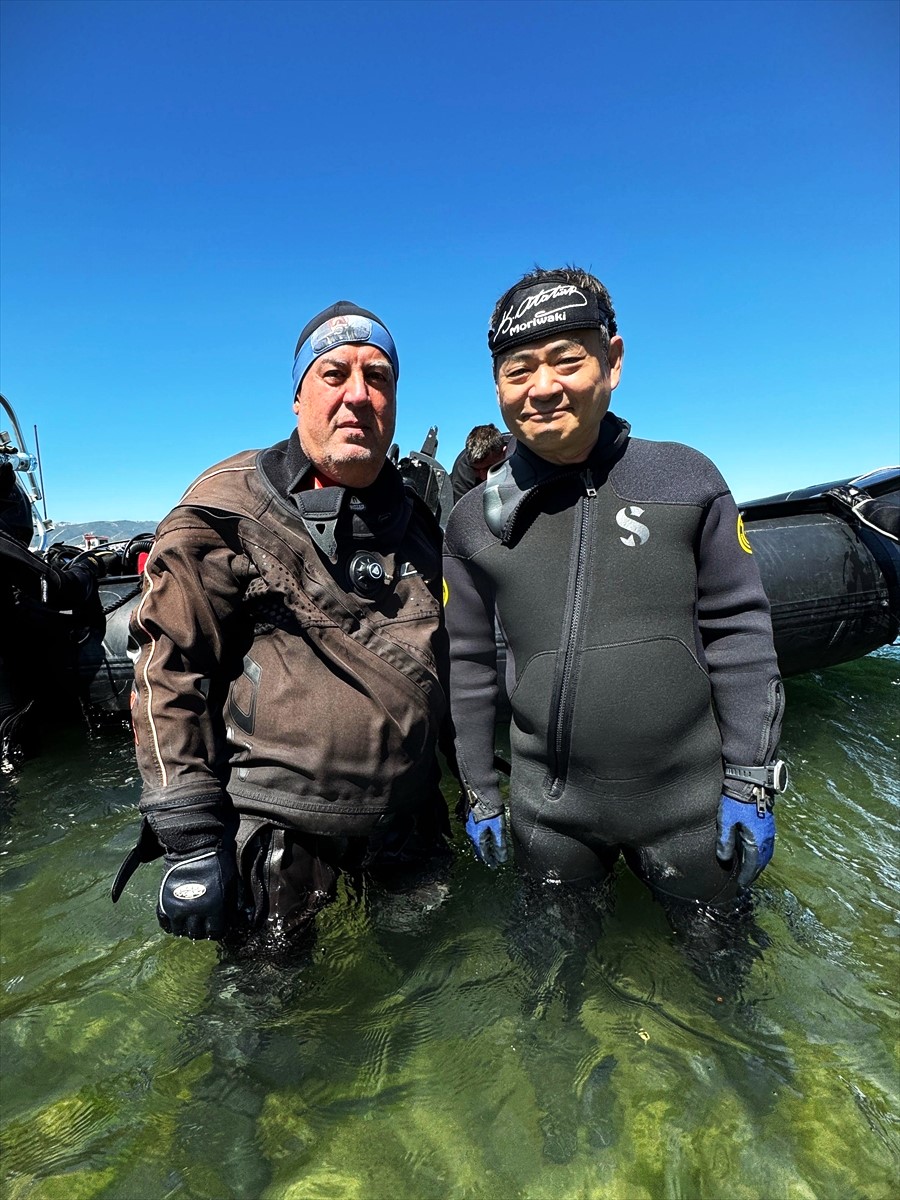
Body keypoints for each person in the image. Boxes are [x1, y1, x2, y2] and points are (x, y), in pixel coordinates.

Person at [443, 266, 787, 923]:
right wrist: (481, 792)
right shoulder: (472, 522)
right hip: (551, 818)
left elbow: (742, 634)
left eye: (567, 359)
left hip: (691, 809)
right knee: (549, 1003)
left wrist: (751, 782)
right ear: (497, 386)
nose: (543, 387)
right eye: (519, 370)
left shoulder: (688, 479)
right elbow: (469, 666)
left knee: (727, 1001)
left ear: (613, 360)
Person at [112, 301, 450, 952]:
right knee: (262, 1030)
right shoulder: (227, 506)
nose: (359, 394)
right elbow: (165, 666)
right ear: (298, 396)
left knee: (420, 1007)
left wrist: (483, 788)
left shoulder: (418, 522)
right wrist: (188, 835)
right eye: (335, 374)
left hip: (408, 822)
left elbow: (444, 659)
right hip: (278, 831)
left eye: (378, 377)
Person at [450, 423, 512, 504]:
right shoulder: (462, 471)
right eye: (475, 470)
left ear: (504, 452)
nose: (482, 477)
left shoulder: (519, 454)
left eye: (488, 468)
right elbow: (463, 510)